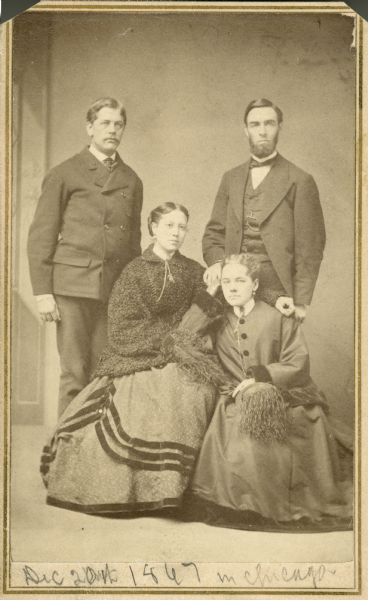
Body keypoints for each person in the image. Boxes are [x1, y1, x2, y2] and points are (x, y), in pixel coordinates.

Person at [40, 203, 223, 516]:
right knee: (159, 388)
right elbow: (123, 327)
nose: (176, 234)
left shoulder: (193, 271)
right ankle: (144, 488)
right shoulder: (134, 271)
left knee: (194, 389)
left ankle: (178, 489)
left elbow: (207, 312)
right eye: (169, 226)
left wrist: (211, 290)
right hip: (135, 355)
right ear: (152, 227)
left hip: (181, 353)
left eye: (182, 227)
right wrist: (167, 346)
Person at [185, 254, 353, 531]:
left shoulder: (277, 316)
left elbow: (297, 363)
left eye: (240, 280)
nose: (232, 287)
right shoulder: (216, 319)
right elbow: (184, 338)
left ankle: (269, 504)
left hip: (283, 395)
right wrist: (210, 292)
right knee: (236, 433)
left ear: (255, 285)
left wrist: (260, 378)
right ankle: (243, 505)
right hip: (235, 399)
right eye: (226, 282)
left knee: (277, 433)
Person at [27, 97, 143, 416]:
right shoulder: (65, 173)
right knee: (74, 375)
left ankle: (95, 453)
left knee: (104, 372)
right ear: (89, 127)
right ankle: (66, 454)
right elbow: (41, 236)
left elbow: (133, 243)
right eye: (105, 123)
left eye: (118, 124)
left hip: (112, 291)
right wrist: (42, 293)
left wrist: (130, 293)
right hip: (72, 287)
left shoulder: (132, 180)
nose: (112, 130)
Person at [202, 98, 326, 323]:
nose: (262, 131)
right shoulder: (231, 178)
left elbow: (311, 249)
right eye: (255, 125)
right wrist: (217, 264)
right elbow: (213, 233)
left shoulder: (300, 180)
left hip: (278, 292)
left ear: (279, 127)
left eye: (269, 123)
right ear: (245, 130)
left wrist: (301, 302)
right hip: (232, 290)